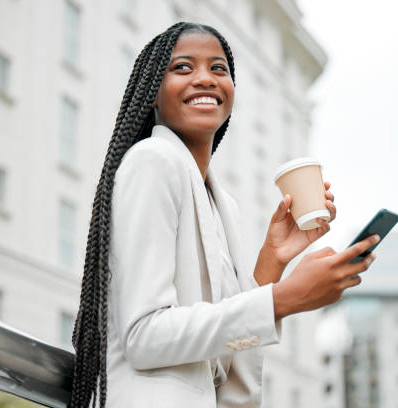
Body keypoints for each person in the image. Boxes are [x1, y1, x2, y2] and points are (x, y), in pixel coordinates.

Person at [68, 22, 378, 408]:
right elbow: (144, 337)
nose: (205, 79)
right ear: (151, 93)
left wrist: (272, 260)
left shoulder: (221, 203)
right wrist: (284, 299)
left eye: (219, 69)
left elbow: (226, 363)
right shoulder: (153, 161)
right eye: (183, 67)